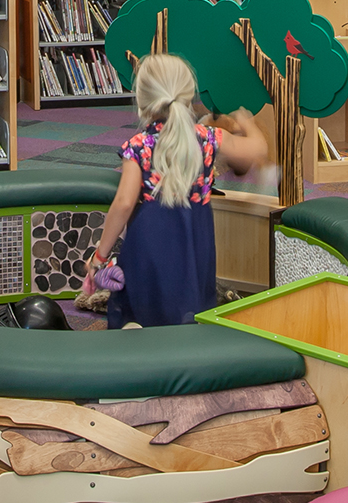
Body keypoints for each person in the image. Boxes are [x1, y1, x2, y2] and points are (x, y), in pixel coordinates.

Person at [87, 54, 268, 329]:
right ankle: (185, 347)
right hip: (194, 239)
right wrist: (249, 125)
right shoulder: (209, 138)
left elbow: (123, 204)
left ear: (142, 101)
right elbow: (257, 150)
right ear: (187, 95)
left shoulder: (138, 145)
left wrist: (100, 256)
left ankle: (136, 333)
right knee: (190, 299)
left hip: (148, 242)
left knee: (141, 302)